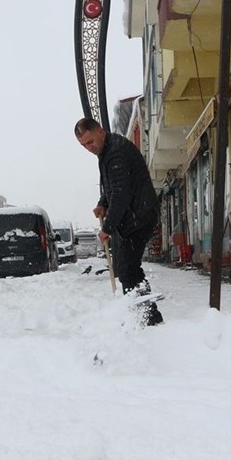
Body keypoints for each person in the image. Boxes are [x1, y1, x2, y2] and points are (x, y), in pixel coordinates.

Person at [74, 117, 163, 326]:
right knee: (125, 268)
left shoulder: (116, 153)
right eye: (84, 145)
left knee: (127, 269)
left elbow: (121, 195)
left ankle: (148, 317)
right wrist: (102, 203)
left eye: (90, 141)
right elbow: (112, 187)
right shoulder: (105, 152)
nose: (89, 147)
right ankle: (142, 314)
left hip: (138, 216)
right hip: (132, 217)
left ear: (101, 132)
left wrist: (107, 227)